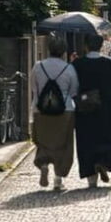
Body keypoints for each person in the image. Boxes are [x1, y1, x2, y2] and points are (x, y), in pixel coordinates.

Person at [72, 34, 111, 188]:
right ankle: (104, 161)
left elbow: (72, 86)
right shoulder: (110, 64)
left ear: (85, 46)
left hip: (84, 107)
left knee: (86, 139)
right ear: (101, 46)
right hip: (107, 107)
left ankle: (91, 177)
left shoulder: (78, 64)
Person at [30, 37, 79, 191]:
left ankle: (43, 164)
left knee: (43, 141)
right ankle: (58, 179)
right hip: (64, 111)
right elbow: (74, 91)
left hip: (41, 109)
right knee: (64, 144)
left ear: (49, 49)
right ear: (64, 51)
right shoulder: (69, 68)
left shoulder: (38, 67)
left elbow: (34, 88)